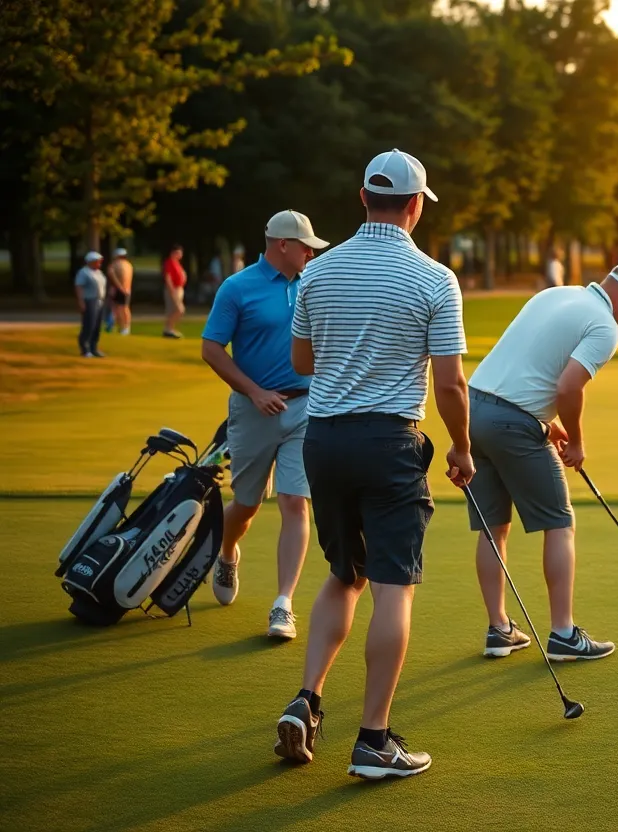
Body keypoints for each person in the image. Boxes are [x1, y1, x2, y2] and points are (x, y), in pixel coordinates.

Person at [274, 148, 474, 781]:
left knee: (343, 572)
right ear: (415, 206)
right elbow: (450, 386)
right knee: (393, 584)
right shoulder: (435, 279)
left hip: (324, 442)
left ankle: (307, 700)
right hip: (389, 442)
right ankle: (374, 740)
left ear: (363, 198)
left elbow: (302, 363)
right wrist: (463, 450)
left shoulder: (318, 273)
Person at [464, 261, 618, 664]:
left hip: (473, 409)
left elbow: (522, 366)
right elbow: (568, 386)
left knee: (493, 526)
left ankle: (499, 630)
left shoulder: (555, 294)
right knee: (559, 523)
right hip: (512, 423)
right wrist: (578, 442)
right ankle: (564, 635)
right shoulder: (604, 326)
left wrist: (545, 422)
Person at [201, 210, 330, 639]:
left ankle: (283, 604)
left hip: (306, 408)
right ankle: (227, 550)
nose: (312, 253)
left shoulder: (314, 282)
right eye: (306, 246)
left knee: (296, 502)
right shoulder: (237, 288)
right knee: (249, 504)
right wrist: (255, 392)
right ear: (282, 245)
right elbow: (211, 348)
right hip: (253, 410)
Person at [74, 251, 107, 358]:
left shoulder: (99, 273)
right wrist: (81, 301)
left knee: (97, 326)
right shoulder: (84, 272)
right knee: (89, 325)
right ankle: (85, 348)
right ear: (91, 262)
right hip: (89, 300)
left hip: (99, 300)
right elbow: (79, 287)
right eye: (98, 261)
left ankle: (94, 348)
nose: (99, 263)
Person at [107, 248, 133, 336]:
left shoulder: (114, 265)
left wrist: (119, 288)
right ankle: (125, 327)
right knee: (125, 308)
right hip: (127, 290)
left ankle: (121, 327)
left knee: (118, 308)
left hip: (119, 289)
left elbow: (112, 277)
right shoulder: (129, 265)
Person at [163, 244, 187, 339]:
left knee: (175, 310)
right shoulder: (169, 262)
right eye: (178, 253)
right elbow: (168, 278)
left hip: (179, 289)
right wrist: (172, 290)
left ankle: (169, 329)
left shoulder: (177, 263)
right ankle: (169, 329)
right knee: (179, 310)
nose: (180, 255)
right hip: (174, 289)